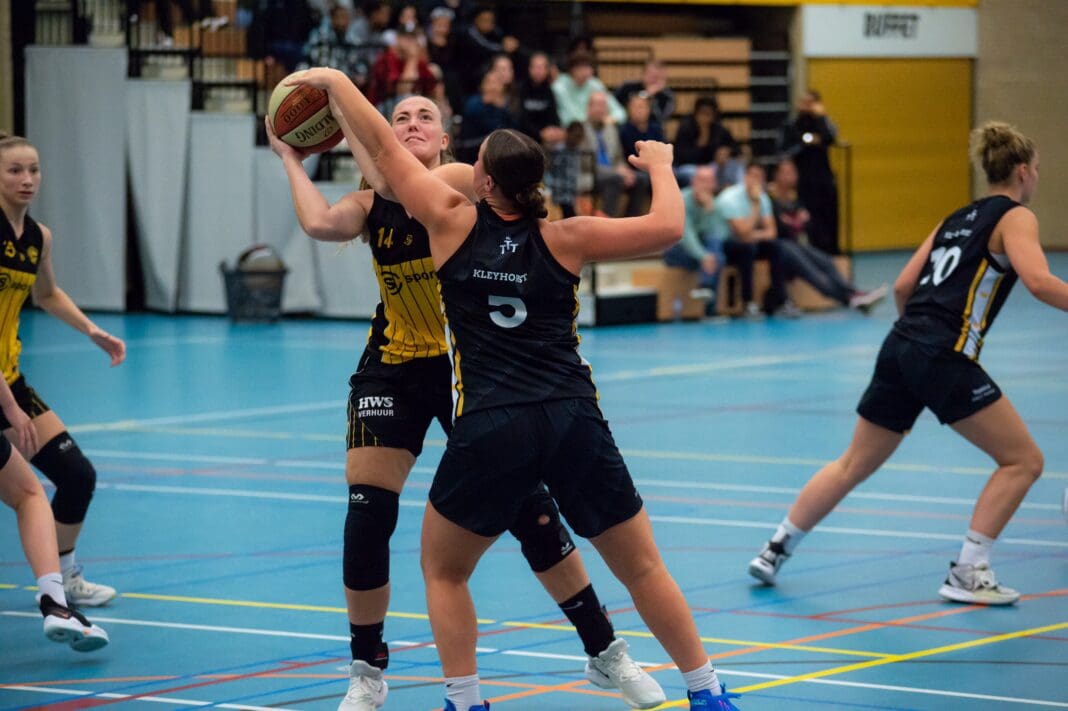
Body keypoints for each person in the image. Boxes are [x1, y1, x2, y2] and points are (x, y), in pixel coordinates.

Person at [291, 66, 743, 711]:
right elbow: (669, 227)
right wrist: (662, 167)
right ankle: (707, 690)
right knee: (644, 567)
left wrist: (337, 84)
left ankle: (467, 700)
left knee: (444, 570)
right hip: (571, 418)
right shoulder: (569, 236)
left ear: (478, 180)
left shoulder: (450, 224)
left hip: (493, 422)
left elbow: (387, 157)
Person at [749, 122, 1067, 605]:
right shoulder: (1015, 216)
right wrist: (932, 347)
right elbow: (1040, 282)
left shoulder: (955, 218)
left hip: (900, 345)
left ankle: (775, 548)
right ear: (1022, 171)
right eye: (1037, 169)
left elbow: (902, 286)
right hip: (942, 352)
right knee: (1023, 461)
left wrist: (915, 340)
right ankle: (969, 570)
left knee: (851, 463)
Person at [0, 133, 124, 609]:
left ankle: (66, 577)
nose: (27, 179)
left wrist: (92, 331)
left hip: (10, 379)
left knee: (76, 475)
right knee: (24, 490)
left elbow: (47, 294)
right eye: (15, 170)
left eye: (33, 169)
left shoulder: (38, 237)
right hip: (2, 393)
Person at [767, 156, 887, 313]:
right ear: (776, 175)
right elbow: (778, 228)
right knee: (813, 273)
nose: (791, 176)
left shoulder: (794, 198)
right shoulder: (768, 198)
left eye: (793, 171)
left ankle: (854, 293)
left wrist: (800, 222)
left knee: (826, 262)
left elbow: (806, 225)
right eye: (786, 172)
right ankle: (852, 298)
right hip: (780, 248)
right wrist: (793, 222)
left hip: (796, 245)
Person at [715, 161, 789, 317]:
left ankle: (781, 301)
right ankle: (748, 302)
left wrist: (753, 235)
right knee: (747, 249)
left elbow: (772, 232)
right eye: (753, 176)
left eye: (760, 177)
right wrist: (755, 205)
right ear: (745, 177)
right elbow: (742, 233)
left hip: (749, 242)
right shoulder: (729, 198)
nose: (756, 180)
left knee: (776, 247)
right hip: (724, 245)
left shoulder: (763, 197)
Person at [779, 89, 840, 254]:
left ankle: (831, 252)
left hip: (823, 179)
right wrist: (806, 142)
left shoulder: (823, 121)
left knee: (829, 219)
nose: (806, 106)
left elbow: (830, 138)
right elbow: (784, 149)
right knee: (809, 221)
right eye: (803, 102)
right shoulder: (791, 124)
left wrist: (821, 117)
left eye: (810, 103)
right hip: (803, 180)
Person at [662, 165, 722, 300]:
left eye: (709, 181)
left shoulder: (714, 203)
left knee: (717, 249)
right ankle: (707, 292)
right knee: (715, 258)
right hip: (676, 249)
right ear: (693, 182)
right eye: (702, 180)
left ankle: (706, 292)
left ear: (714, 184)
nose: (705, 185)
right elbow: (686, 235)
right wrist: (703, 256)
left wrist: (708, 211)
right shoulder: (681, 199)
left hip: (700, 251)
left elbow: (717, 233)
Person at [673, 96, 736, 187]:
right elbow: (681, 156)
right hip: (690, 167)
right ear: (696, 114)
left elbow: (735, 148)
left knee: (734, 166)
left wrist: (727, 151)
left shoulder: (719, 129)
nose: (705, 117)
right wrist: (701, 141)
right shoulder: (686, 128)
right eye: (702, 113)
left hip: (713, 167)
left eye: (708, 114)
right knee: (692, 173)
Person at [614, 59, 675, 126]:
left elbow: (661, 118)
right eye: (651, 76)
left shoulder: (667, 95)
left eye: (658, 77)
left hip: (652, 129)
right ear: (643, 74)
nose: (654, 80)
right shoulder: (627, 87)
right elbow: (613, 106)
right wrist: (646, 94)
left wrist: (651, 96)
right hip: (625, 126)